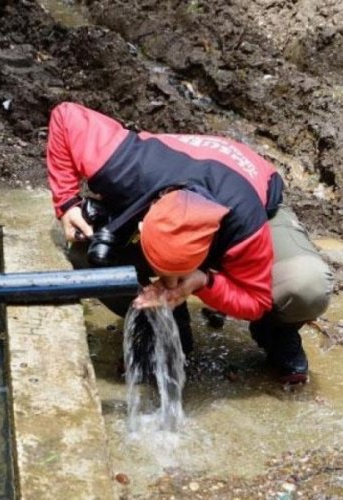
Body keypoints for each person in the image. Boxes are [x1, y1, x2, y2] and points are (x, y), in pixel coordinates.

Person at [47, 101, 333, 384]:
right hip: (168, 172)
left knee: (307, 286)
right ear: (143, 225)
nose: (169, 283)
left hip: (256, 201)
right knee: (86, 251)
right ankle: (163, 326)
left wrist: (204, 282)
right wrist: (67, 201)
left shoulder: (245, 227)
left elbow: (255, 300)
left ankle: (276, 332)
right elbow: (65, 116)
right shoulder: (122, 166)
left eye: (176, 276)